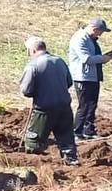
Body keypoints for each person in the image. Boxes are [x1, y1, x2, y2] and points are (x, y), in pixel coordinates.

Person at [21, 37, 79, 165]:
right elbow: (69, 82)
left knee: (33, 142)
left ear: (33, 50)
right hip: (64, 107)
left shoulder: (33, 65)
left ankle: (36, 165)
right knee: (67, 139)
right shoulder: (60, 61)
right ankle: (71, 161)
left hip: (44, 109)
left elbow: (26, 90)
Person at [68, 18, 112, 141]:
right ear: (95, 29)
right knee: (84, 105)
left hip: (92, 76)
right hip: (82, 77)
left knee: (92, 105)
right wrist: (103, 58)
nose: (100, 35)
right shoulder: (80, 39)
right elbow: (86, 59)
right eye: (100, 32)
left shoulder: (90, 39)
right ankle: (76, 132)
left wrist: (102, 58)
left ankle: (88, 131)